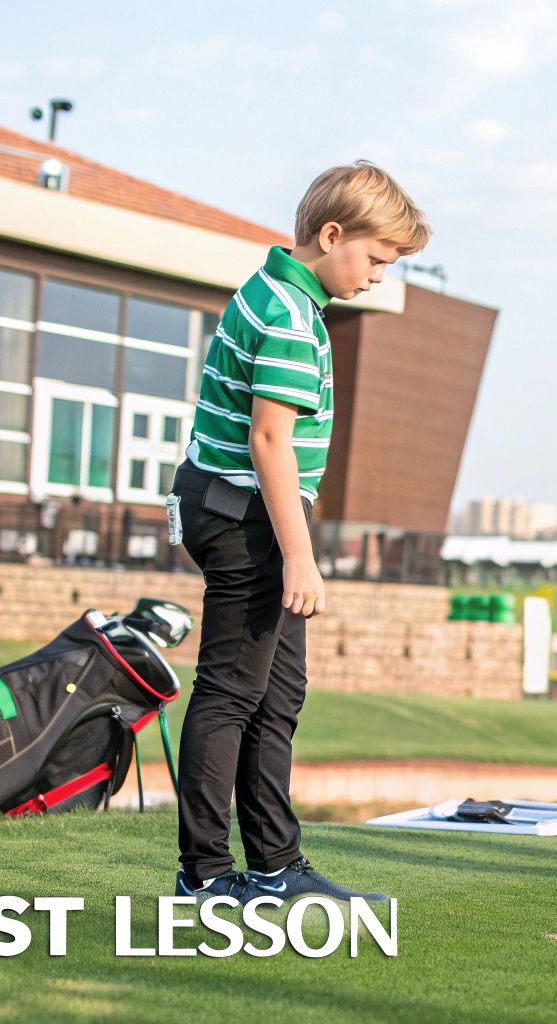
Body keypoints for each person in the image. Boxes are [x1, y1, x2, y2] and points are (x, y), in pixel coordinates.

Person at [167, 162, 430, 903]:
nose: (379, 276)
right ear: (331, 234)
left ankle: (277, 864)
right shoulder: (286, 313)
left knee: (277, 696)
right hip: (246, 515)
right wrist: (301, 558)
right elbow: (270, 442)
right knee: (228, 695)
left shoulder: (283, 296)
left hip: (243, 509)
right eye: (376, 259)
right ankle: (206, 876)